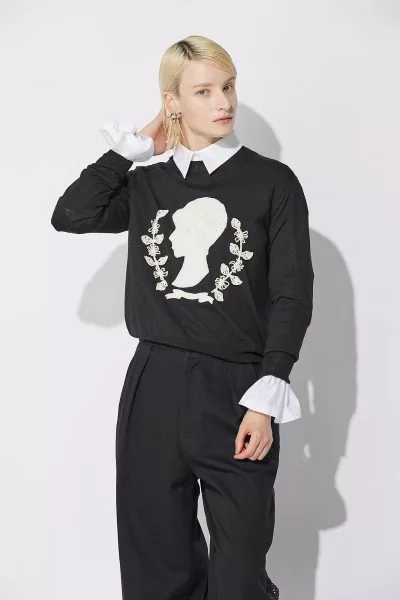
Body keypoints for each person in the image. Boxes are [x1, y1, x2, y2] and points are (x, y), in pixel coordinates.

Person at [51, 34, 314, 600]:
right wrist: (135, 148)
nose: (224, 102)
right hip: (155, 383)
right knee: (156, 564)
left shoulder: (272, 182)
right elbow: (71, 214)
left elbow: (291, 295)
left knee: (240, 573)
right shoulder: (149, 182)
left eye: (229, 87)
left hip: (239, 388)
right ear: (172, 101)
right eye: (203, 91)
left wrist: (268, 392)